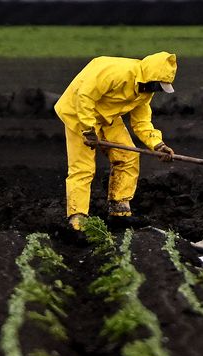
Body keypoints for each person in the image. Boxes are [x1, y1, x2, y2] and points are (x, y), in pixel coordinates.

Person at [54, 52, 180, 230]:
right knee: (83, 169)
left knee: (128, 155)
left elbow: (142, 122)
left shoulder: (145, 91)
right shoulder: (117, 74)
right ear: (150, 77)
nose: (157, 90)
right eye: (158, 85)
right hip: (78, 113)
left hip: (106, 115)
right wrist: (89, 130)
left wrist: (157, 145)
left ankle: (119, 211)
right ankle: (77, 219)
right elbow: (85, 97)